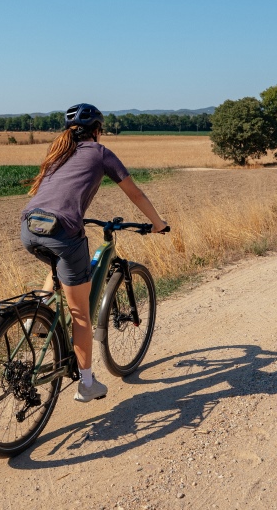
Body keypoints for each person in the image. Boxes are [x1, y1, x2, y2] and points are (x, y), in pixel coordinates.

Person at [21, 103, 167, 402]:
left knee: (58, 266)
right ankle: (87, 384)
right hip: (62, 231)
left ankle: (37, 314)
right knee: (81, 314)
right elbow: (135, 192)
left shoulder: (57, 153)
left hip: (30, 226)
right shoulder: (100, 153)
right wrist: (157, 223)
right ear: (97, 130)